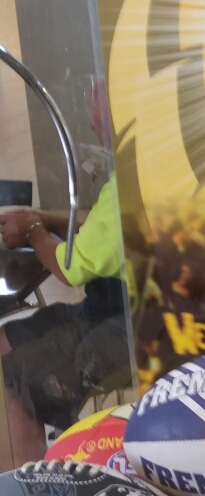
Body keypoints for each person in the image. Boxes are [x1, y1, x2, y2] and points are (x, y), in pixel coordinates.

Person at [0, 173, 130, 462]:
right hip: (103, 310)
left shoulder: (131, 177)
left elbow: (70, 268)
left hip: (128, 329)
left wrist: (34, 232)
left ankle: (31, 483)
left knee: (12, 381)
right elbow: (100, 234)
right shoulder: (134, 170)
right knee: (5, 340)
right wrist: (46, 221)